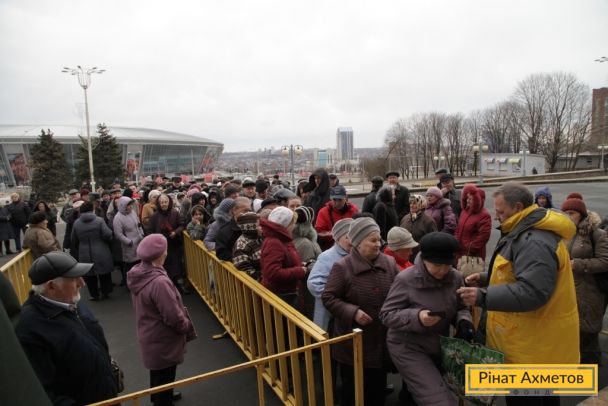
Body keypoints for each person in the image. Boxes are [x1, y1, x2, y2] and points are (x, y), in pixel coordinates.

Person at [457, 182, 579, 406]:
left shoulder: (534, 240)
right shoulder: (523, 230)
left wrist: (483, 297)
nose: (496, 216)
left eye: (500, 211)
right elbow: (517, 272)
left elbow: (532, 292)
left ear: (518, 207)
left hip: (532, 347)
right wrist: (485, 278)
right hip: (527, 341)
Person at [380, 232, 472, 405]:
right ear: (424, 260)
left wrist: (464, 322)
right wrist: (417, 317)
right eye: (437, 265)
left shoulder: (455, 277)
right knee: (437, 398)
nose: (443, 271)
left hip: (439, 345)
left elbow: (461, 307)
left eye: (447, 265)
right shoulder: (406, 279)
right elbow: (386, 315)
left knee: (423, 393)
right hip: (407, 346)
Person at [15, 251, 118, 404]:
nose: (82, 283)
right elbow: (44, 392)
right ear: (51, 287)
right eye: (74, 278)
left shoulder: (70, 301)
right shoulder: (29, 328)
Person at [322, 217, 399, 406]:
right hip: (353, 345)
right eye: (372, 240)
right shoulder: (342, 267)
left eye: (379, 239)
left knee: (377, 391)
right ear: (357, 242)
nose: (378, 244)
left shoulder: (389, 263)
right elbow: (329, 297)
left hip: (381, 341)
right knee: (353, 392)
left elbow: (402, 291)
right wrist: (353, 312)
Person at [128, 234, 196, 406]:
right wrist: (186, 325)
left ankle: (160, 396)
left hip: (149, 332)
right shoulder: (159, 282)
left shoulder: (140, 272)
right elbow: (172, 316)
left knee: (158, 371)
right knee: (165, 373)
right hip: (162, 337)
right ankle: (163, 399)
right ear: (161, 254)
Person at [561, 193, 608, 364]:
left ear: (581, 214)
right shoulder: (567, 233)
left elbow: (605, 261)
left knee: (588, 334)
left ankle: (592, 370)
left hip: (590, 292)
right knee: (574, 334)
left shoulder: (597, 234)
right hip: (571, 290)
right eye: (566, 213)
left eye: (572, 213)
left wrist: (577, 264)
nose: (568, 217)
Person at [307, 218, 352, 330]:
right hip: (328, 316)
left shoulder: (356, 254)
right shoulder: (327, 256)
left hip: (347, 314)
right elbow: (314, 284)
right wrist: (335, 298)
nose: (352, 240)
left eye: (354, 236)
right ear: (338, 238)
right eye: (348, 237)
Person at [259, 206, 308, 308]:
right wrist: (299, 271)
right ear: (286, 225)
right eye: (293, 223)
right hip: (280, 299)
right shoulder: (274, 242)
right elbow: (272, 272)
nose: (294, 226)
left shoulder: (281, 238)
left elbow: (286, 260)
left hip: (285, 295)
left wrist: (301, 265)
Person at [71, 201, 114, 301]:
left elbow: (73, 239)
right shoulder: (99, 221)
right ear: (92, 209)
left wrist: (79, 247)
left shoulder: (77, 223)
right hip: (101, 249)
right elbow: (107, 234)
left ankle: (94, 295)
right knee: (104, 273)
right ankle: (105, 292)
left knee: (89, 274)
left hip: (84, 251)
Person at [148, 194, 187, 292]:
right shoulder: (154, 216)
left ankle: (180, 284)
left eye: (165, 202)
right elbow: (150, 231)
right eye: (162, 202)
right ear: (159, 203)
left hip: (174, 244)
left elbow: (182, 225)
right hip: (160, 247)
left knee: (177, 265)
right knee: (163, 267)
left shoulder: (175, 213)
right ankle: (166, 287)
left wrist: (175, 232)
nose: (164, 204)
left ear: (169, 202)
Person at [314, 185, 359, 251]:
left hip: (351, 247)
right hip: (331, 248)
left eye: (340, 200)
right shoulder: (323, 212)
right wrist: (337, 235)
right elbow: (319, 232)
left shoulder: (354, 210)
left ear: (346, 198)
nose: (337, 203)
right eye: (334, 200)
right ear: (330, 199)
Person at [113, 196, 145, 285]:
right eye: (128, 205)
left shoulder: (133, 212)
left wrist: (142, 234)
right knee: (131, 266)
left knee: (140, 263)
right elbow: (118, 234)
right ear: (123, 205)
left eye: (130, 205)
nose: (130, 207)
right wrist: (129, 242)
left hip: (139, 242)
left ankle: (140, 282)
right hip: (129, 246)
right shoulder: (118, 218)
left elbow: (138, 224)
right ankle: (131, 283)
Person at [454, 184, 492, 260]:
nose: (467, 201)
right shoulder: (465, 211)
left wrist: (470, 247)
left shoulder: (484, 215)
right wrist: (455, 241)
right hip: (460, 252)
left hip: (473, 255)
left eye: (471, 199)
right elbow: (458, 228)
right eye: (467, 198)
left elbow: (483, 236)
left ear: (477, 200)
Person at [215, 197, 251, 261]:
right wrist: (241, 259)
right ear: (234, 210)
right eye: (245, 211)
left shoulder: (255, 227)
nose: (248, 214)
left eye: (250, 211)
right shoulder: (224, 231)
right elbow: (221, 253)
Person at [232, 212, 263, 280]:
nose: (262, 227)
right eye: (259, 225)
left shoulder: (260, 237)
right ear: (250, 227)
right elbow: (246, 272)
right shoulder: (241, 247)